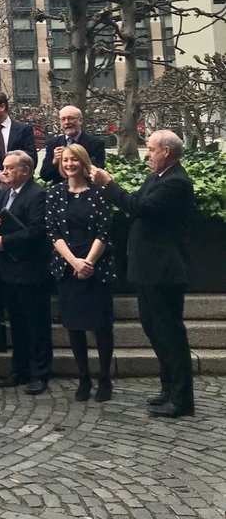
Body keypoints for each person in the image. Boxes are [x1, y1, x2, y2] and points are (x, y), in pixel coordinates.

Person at [91, 130, 195, 418]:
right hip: (148, 268)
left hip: (164, 270)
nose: (146, 154)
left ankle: (182, 398)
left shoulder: (177, 183)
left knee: (170, 334)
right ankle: (168, 388)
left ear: (166, 151)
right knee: (155, 331)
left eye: (150, 149)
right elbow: (135, 203)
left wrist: (109, 184)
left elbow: (139, 207)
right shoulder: (158, 177)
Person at [46, 144, 115, 402]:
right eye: (65, 160)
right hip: (67, 267)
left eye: (74, 159)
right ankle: (84, 376)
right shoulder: (54, 193)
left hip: (96, 267)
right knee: (74, 326)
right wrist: (74, 262)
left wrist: (88, 262)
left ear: (84, 162)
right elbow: (53, 232)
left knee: (101, 326)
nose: (69, 164)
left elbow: (104, 232)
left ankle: (104, 377)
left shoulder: (100, 192)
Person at [0, 150, 52, 395]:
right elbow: (2, 223)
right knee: (17, 322)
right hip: (9, 270)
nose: (4, 172)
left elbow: (37, 231)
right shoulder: (5, 194)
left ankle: (40, 372)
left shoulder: (38, 195)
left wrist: (5, 242)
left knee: (36, 323)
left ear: (25, 170)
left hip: (31, 270)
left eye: (9, 168)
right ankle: (19, 368)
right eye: (3, 167)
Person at [40, 105, 106, 184]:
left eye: (71, 118)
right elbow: (45, 176)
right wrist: (54, 161)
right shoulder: (53, 144)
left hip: (86, 189)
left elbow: (96, 172)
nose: (67, 122)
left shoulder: (95, 143)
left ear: (80, 120)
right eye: (63, 119)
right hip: (60, 191)